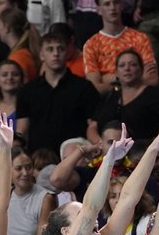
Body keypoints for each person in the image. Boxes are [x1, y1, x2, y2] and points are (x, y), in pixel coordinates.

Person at [16, 29, 102, 162]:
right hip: (38, 160)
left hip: (74, 159)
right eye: (50, 49)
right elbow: (22, 129)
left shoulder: (84, 87)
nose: (55, 54)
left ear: (67, 53)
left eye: (60, 49)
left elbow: (93, 125)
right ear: (41, 55)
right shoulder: (27, 90)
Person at [82, 0, 159, 95]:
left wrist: (108, 78)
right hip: (108, 102)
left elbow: (152, 79)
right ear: (98, 10)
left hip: (139, 99)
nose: (112, 7)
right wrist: (133, 79)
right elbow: (94, 87)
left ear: (122, 6)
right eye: (107, 4)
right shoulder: (91, 45)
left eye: (116, 2)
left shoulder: (140, 38)